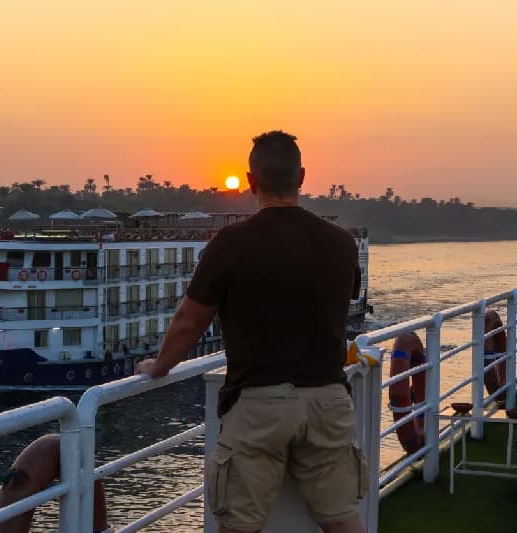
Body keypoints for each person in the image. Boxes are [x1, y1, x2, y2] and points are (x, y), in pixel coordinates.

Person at [136, 131, 365, 533]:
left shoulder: (232, 243)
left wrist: (160, 366)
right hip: (328, 399)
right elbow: (343, 301)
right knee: (342, 520)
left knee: (239, 525)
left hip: (260, 404)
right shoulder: (341, 243)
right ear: (303, 177)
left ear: (250, 181)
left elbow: (190, 319)